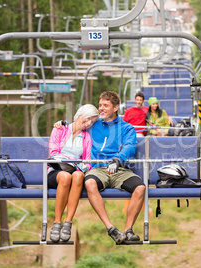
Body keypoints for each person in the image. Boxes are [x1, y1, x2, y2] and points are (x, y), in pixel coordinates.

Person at [84, 91, 146, 244]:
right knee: (89, 183)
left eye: (106, 105)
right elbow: (75, 127)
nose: (101, 108)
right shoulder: (93, 124)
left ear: (115, 107)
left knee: (140, 188)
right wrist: (63, 125)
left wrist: (118, 159)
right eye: (100, 105)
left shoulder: (127, 128)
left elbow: (130, 146)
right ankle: (111, 229)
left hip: (119, 169)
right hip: (99, 169)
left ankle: (128, 230)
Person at [48, 104, 99, 243]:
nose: (88, 124)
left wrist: (77, 165)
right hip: (56, 171)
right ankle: (57, 222)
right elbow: (53, 153)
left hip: (75, 170)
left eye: (92, 122)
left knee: (78, 176)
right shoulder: (59, 129)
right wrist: (70, 159)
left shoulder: (86, 137)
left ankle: (68, 222)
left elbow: (87, 162)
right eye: (88, 119)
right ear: (79, 115)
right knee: (65, 177)